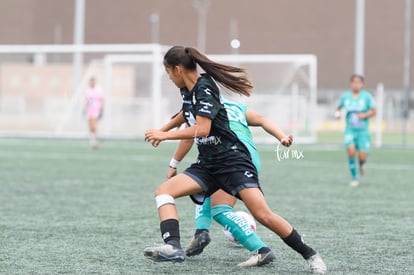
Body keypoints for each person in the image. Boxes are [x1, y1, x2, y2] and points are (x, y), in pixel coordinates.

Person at [144, 46, 327, 274]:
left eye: (169, 72)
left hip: (233, 162)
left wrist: (164, 135)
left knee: (263, 215)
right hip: (208, 164)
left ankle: (311, 254)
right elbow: (185, 112)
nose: (169, 78)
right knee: (163, 192)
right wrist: (162, 130)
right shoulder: (187, 89)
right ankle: (173, 247)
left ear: (178, 69)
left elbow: (202, 129)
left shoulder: (205, 88)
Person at [167, 99, 293, 267]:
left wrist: (173, 164)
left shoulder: (202, 107)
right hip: (249, 155)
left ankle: (260, 249)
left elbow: (188, 138)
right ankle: (200, 233)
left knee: (220, 208)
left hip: (229, 156)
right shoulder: (235, 106)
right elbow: (262, 119)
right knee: (203, 185)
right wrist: (282, 137)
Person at [335, 74, 376, 187]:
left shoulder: (366, 96)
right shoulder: (345, 96)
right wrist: (337, 114)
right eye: (354, 82)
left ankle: (362, 164)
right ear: (350, 83)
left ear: (362, 84)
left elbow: (374, 111)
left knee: (362, 156)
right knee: (351, 152)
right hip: (350, 130)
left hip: (363, 131)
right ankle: (354, 178)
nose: (356, 84)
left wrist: (364, 115)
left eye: (358, 82)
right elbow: (338, 108)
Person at [84, 77, 104, 148]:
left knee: (94, 125)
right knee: (90, 126)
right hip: (89, 110)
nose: (92, 83)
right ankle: (93, 141)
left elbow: (101, 99)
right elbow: (87, 100)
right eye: (91, 82)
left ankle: (96, 139)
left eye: (93, 81)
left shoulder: (98, 89)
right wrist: (85, 108)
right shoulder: (88, 90)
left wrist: (101, 109)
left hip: (96, 109)